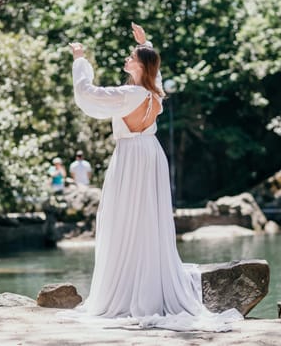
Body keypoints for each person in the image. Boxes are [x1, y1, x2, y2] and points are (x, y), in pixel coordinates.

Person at [67, 23, 242, 331]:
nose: (127, 59)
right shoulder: (154, 94)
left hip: (131, 158)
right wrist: (145, 42)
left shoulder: (129, 94)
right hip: (151, 154)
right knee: (149, 221)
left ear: (140, 65)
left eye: (132, 56)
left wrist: (80, 60)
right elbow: (156, 74)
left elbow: (87, 94)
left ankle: (125, 289)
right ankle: (149, 284)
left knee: (124, 220)